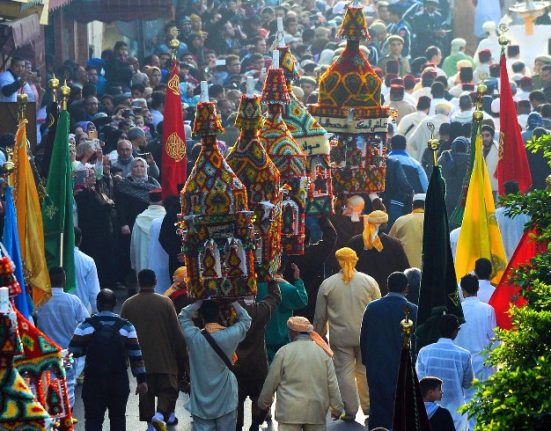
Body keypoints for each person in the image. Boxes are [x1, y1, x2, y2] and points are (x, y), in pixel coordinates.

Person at [313, 247, 380, 422]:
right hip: (365, 336)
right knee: (364, 371)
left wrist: (319, 336)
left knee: (343, 373)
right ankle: (369, 408)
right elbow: (377, 310)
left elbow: (320, 317)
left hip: (340, 338)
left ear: (338, 262)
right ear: (355, 260)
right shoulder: (369, 281)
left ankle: (350, 410)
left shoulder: (328, 284)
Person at [69, 289, 148, 431]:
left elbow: (74, 352)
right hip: (119, 381)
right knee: (118, 418)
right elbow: (136, 355)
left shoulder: (86, 326)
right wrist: (141, 380)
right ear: (114, 304)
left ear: (98, 304)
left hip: (93, 381)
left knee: (93, 420)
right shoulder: (126, 326)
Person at [120, 269, 187, 431]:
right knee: (168, 389)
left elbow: (122, 334)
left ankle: (151, 422)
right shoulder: (165, 303)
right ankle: (161, 414)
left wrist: (125, 360)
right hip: (165, 357)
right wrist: (182, 357)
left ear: (138, 282)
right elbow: (176, 333)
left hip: (141, 359)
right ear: (155, 282)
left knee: (146, 391)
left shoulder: (128, 304)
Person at [258, 316, 344, 430]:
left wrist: (264, 403)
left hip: (288, 413)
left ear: (292, 332)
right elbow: (332, 383)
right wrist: (337, 408)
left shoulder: (284, 352)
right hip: (316, 412)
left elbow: (271, 381)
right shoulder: (323, 354)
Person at [179, 300, 252, 430]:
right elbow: (246, 320)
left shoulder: (194, 337)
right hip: (226, 399)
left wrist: (199, 301)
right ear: (218, 315)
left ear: (201, 316)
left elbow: (183, 316)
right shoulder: (229, 335)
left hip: (201, 403)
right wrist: (233, 301)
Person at [360, 272, 418, 430]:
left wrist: (367, 361)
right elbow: (415, 342)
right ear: (406, 288)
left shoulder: (372, 308)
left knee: (378, 407)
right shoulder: (412, 310)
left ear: (387, 286)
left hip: (377, 366)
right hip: (403, 368)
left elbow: (364, 337)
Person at [37, 267, 89, 408]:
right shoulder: (73, 301)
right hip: (68, 353)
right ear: (64, 281)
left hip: (46, 353)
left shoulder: (40, 302)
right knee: (68, 386)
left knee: (46, 387)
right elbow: (86, 323)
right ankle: (67, 419)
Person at [235, 280, 282, 431]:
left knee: (236, 398)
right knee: (259, 396)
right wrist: (271, 280)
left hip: (235, 364)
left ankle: (237, 425)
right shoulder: (261, 310)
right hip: (258, 363)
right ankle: (255, 424)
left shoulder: (230, 312)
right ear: (254, 293)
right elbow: (275, 297)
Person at [416, 314, 474, 431]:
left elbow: (419, 380)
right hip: (457, 412)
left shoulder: (424, 352)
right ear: (455, 331)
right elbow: (468, 384)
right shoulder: (463, 354)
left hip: (429, 412)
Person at [455, 274, 497, 402]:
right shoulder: (487, 310)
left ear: (463, 290)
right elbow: (494, 339)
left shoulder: (457, 311)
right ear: (478, 288)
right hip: (483, 362)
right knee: (483, 400)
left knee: (465, 402)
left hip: (461, 362)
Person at [347, 211, 410, 294]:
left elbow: (347, 266)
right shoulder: (394, 244)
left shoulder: (354, 242)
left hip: (360, 290)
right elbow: (404, 268)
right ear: (385, 225)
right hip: (386, 292)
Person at [257, 263, 308, 362]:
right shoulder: (284, 287)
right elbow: (302, 299)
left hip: (259, 343)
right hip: (280, 343)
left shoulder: (254, 286)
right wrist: (297, 280)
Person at [130, 188, 166, 275]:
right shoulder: (166, 218)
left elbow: (133, 244)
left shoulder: (140, 219)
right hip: (163, 264)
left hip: (143, 266)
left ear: (149, 201)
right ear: (163, 200)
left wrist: (133, 263)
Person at [496, 181, 532, 260]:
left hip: (504, 260)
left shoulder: (497, 214)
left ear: (504, 194)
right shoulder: (528, 213)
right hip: (524, 259)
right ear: (519, 193)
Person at [388, 194, 425, 268]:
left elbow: (389, 244)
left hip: (403, 269)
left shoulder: (400, 221)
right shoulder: (435, 222)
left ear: (412, 206)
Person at [74, 227, 101, 313]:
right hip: (82, 314)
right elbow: (94, 292)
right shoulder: (88, 261)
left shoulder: (55, 260)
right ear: (80, 240)